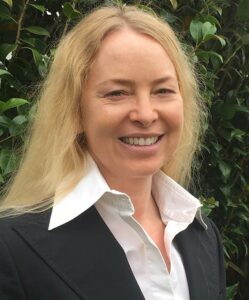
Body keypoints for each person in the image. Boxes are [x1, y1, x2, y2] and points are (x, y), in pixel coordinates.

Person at [0, 5, 226, 300]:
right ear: (75, 111)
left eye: (163, 91)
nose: (145, 114)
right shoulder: (12, 248)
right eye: (117, 93)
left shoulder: (204, 237)